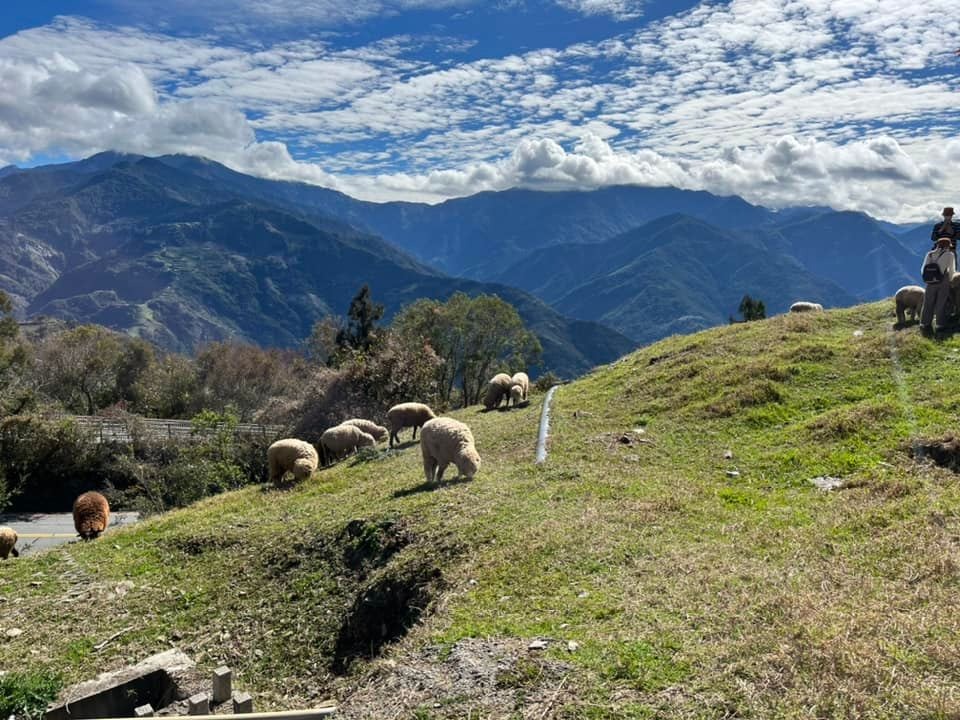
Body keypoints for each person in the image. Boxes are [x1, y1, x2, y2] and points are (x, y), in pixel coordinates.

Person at [920, 235, 956, 333]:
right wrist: (951, 281)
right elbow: (952, 270)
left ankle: (924, 323)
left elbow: (923, 269)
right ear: (948, 245)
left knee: (928, 302)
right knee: (941, 302)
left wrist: (928, 279)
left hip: (930, 281)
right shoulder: (949, 255)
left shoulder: (930, 254)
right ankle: (940, 325)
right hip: (943, 280)